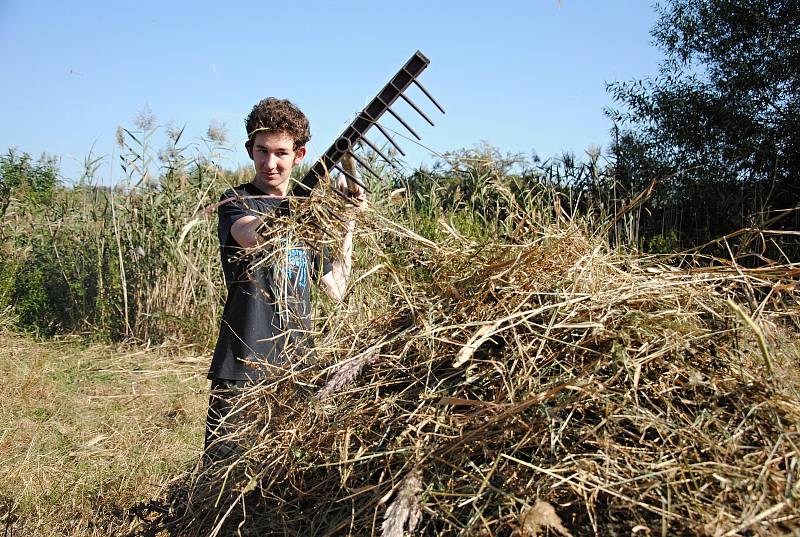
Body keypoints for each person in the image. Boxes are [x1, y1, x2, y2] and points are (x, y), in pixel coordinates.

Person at [204, 97, 364, 461]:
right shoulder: (237, 202)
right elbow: (253, 236)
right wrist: (301, 205)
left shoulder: (311, 218)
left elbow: (336, 288)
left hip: (297, 369)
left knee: (283, 480)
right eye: (262, 151)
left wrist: (348, 221)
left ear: (300, 154)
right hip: (243, 366)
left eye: (281, 152)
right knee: (220, 473)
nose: (271, 163)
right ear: (250, 150)